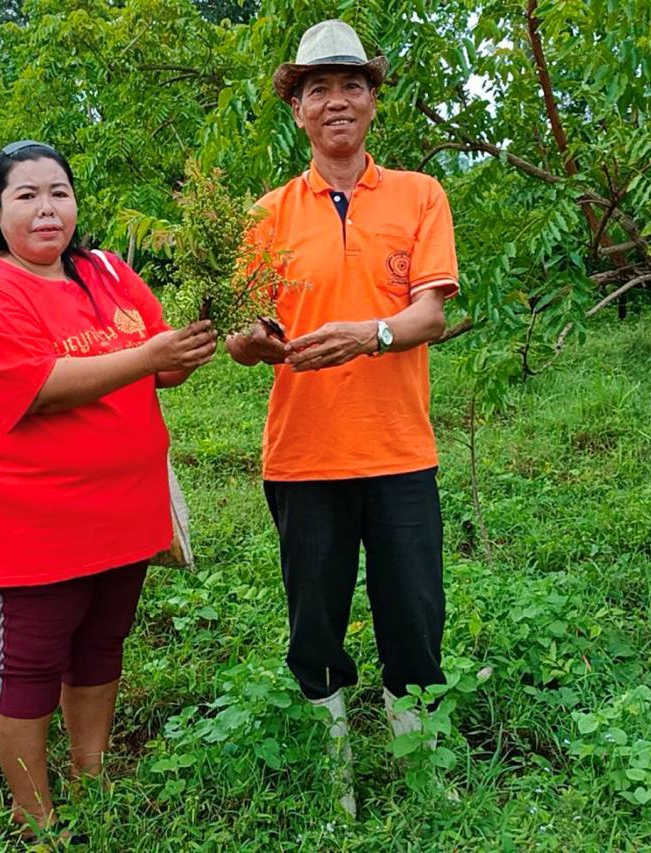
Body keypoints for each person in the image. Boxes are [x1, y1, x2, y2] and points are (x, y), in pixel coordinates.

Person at [0, 140, 216, 837]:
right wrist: (147, 356)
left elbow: (163, 365)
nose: (46, 209)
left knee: (101, 643)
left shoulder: (107, 271)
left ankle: (89, 773)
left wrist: (189, 347)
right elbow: (38, 387)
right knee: (30, 663)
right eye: (27, 195)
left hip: (126, 508)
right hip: (39, 517)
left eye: (58, 193)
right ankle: (33, 813)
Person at [226, 20, 459, 817]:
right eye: (318, 88)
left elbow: (429, 313)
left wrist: (371, 333)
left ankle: (420, 768)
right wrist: (255, 340)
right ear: (296, 108)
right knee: (315, 623)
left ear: (372, 101)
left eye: (351, 85)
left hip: (400, 453)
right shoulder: (266, 214)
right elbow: (240, 331)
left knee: (415, 618)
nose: (336, 101)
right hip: (305, 455)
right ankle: (337, 781)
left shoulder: (421, 196)